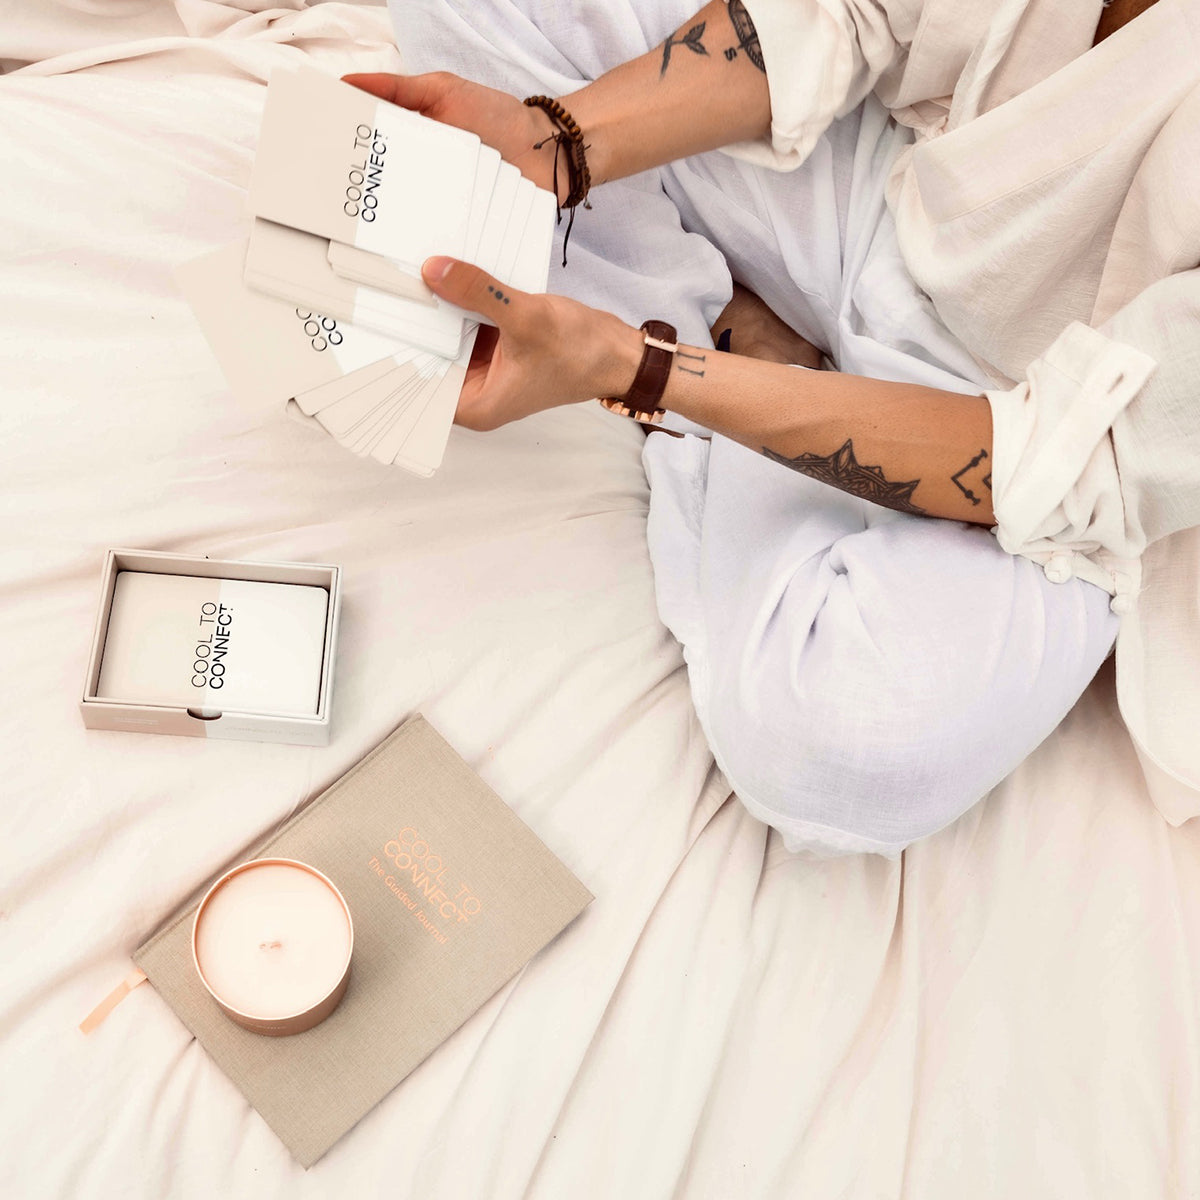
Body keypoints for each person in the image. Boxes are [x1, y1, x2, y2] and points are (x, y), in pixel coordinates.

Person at [346, 0, 1200, 854]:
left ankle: (716, 353)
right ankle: (704, 334)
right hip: (894, 183)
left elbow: (1083, 464)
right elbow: (853, 13)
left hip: (1063, 459)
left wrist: (642, 368)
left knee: (840, 740)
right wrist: (560, 140)